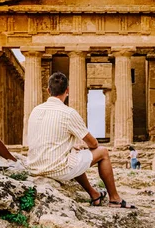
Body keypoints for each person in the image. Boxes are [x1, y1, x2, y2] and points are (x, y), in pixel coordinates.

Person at [27, 72, 135, 209]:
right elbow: (94, 144)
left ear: (48, 90)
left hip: (33, 166)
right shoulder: (68, 113)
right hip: (55, 169)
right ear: (67, 90)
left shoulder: (35, 110)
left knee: (75, 156)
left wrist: (75, 147)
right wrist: (84, 147)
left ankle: (94, 194)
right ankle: (115, 199)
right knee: (103, 152)